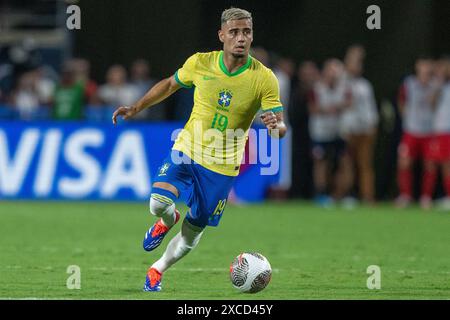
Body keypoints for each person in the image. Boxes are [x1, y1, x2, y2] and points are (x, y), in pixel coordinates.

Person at [111, 7, 287, 292]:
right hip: (188, 150)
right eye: (234, 32)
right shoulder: (200, 63)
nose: (241, 38)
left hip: (221, 167)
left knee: (192, 234)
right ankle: (168, 219)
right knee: (157, 203)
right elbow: (170, 84)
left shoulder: (264, 78)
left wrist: (273, 127)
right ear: (222, 35)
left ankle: (157, 269)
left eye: (247, 32)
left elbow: (280, 130)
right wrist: (136, 107)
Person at [395, 57, 440, 209]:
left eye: (427, 71)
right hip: (411, 130)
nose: (424, 74)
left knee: (430, 165)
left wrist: (435, 87)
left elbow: (437, 105)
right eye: (422, 71)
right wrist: (406, 116)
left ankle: (426, 197)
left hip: (429, 131)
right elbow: (401, 101)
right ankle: (406, 195)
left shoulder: (436, 86)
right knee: (404, 163)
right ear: (417, 70)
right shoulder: (409, 84)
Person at [307, 59, 352, 207]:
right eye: (330, 73)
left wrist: (335, 107)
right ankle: (321, 194)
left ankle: (342, 194)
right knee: (321, 164)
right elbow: (312, 108)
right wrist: (328, 110)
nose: (333, 76)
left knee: (343, 163)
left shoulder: (343, 88)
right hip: (320, 132)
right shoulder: (317, 88)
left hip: (338, 131)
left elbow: (349, 103)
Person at [340, 45, 379, 204]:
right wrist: (353, 55)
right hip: (348, 130)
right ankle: (345, 195)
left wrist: (373, 126)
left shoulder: (364, 85)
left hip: (365, 130)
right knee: (347, 165)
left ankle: (367, 196)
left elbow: (371, 109)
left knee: (365, 165)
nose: (357, 67)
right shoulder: (342, 82)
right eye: (354, 63)